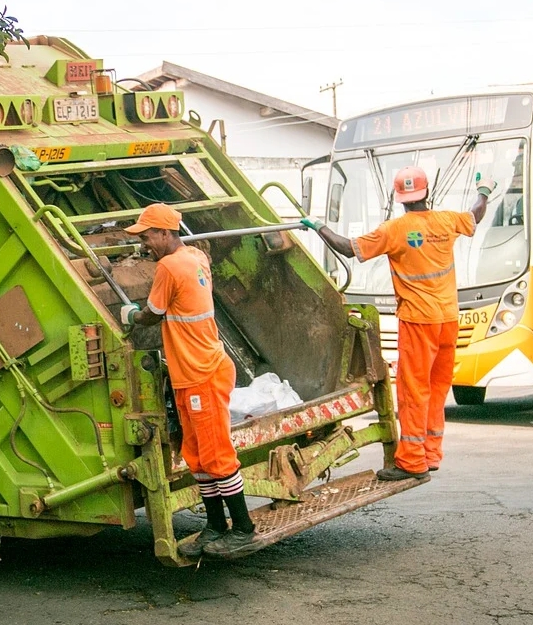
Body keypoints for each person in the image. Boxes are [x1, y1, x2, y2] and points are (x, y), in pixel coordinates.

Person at [301, 166, 493, 481]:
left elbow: (349, 248)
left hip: (419, 321)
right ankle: (431, 454)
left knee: (413, 391)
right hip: (448, 319)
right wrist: (484, 189)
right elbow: (476, 213)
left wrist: (319, 226)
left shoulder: (395, 229)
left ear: (399, 197)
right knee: (437, 388)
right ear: (426, 192)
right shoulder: (447, 220)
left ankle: (412, 462)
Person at [120, 203, 260, 558]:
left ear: (166, 233)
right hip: (193, 373)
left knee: (217, 455)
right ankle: (215, 526)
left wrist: (132, 316)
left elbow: (153, 315)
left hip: (201, 374)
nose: (145, 242)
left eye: (148, 235)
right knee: (196, 456)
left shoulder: (169, 266)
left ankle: (243, 529)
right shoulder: (195, 255)